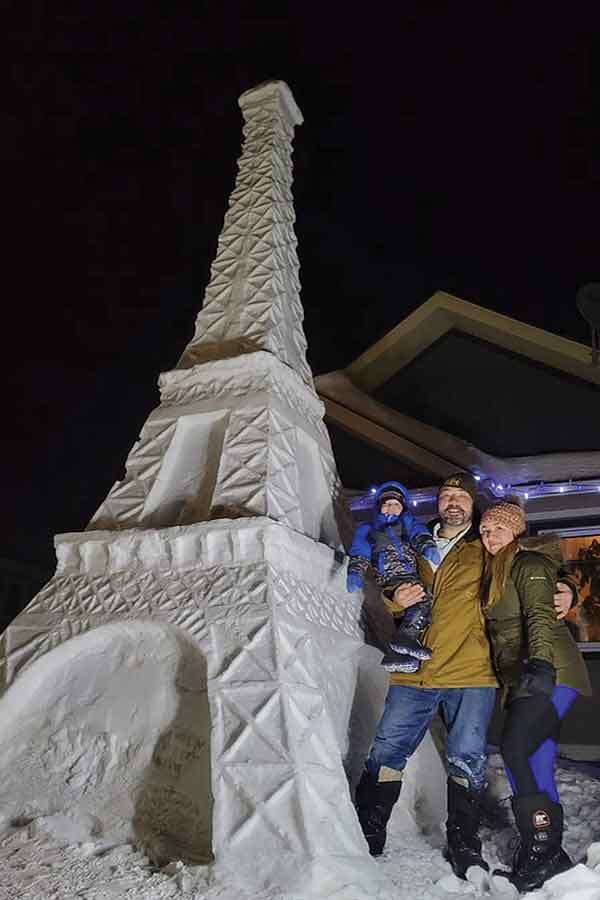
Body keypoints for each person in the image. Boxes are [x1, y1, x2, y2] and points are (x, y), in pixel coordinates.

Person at [353, 473, 575, 879]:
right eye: (445, 496)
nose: (452, 501)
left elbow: (538, 555)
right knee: (385, 752)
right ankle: (367, 835)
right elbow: (390, 578)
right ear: (437, 504)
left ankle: (464, 845)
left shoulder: (487, 546)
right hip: (414, 670)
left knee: (466, 760)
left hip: (471, 672)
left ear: (472, 505)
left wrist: (568, 587)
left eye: (461, 496)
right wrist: (392, 600)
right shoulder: (411, 541)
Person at [479, 501, 592, 893]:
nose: (489, 537)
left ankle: (541, 850)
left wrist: (541, 667)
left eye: (496, 529)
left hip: (551, 671)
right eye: (484, 530)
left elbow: (540, 618)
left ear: (515, 532)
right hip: (523, 676)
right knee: (535, 758)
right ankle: (548, 851)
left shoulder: (528, 564)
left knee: (516, 749)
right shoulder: (497, 570)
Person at [346, 481, 440, 673]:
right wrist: (356, 571)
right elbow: (360, 550)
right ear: (379, 506)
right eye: (387, 504)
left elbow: (418, 533)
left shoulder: (407, 524)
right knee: (422, 601)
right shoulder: (369, 529)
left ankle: (397, 654)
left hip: (409, 573)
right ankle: (405, 638)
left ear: (403, 508)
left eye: (396, 505)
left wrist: (427, 546)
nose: (391, 508)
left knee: (417, 607)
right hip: (388, 575)